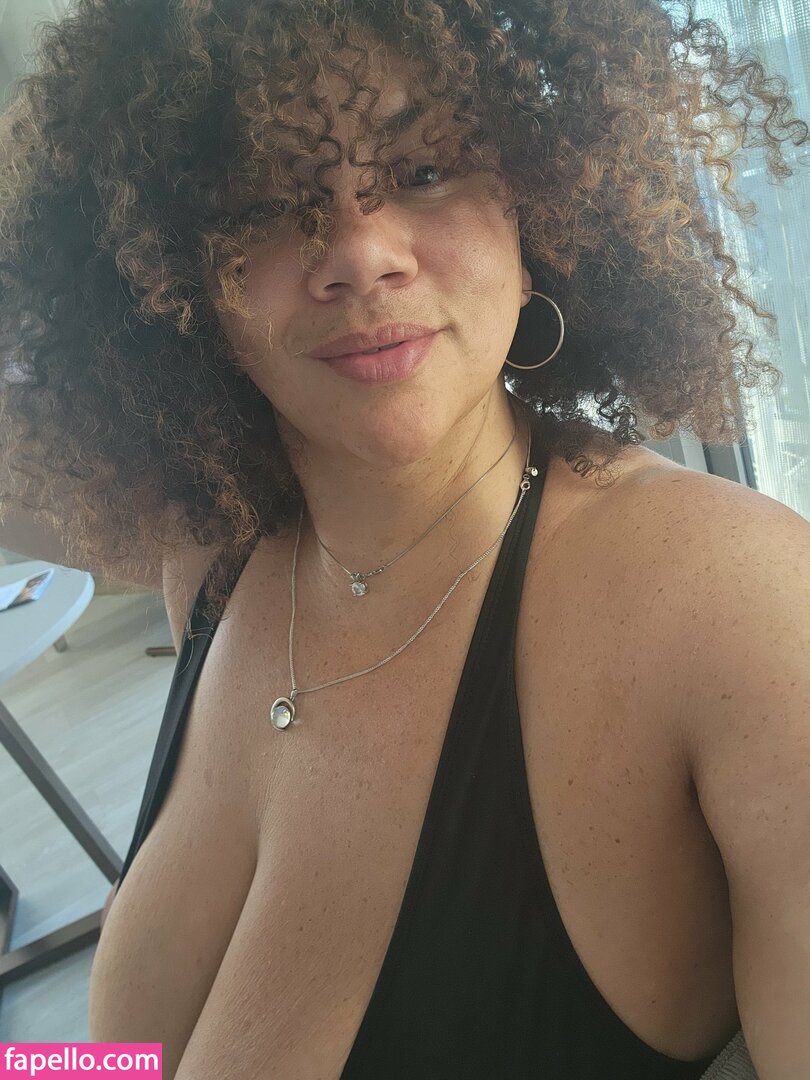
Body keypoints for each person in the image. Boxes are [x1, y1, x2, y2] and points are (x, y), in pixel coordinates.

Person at [0, 1, 808, 1077]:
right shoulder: (217, 563)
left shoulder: (732, 601)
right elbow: (135, 1062)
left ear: (542, 201)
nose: (360, 254)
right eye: (267, 199)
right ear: (174, 276)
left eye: (425, 169)